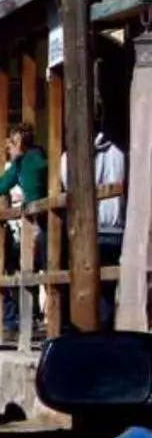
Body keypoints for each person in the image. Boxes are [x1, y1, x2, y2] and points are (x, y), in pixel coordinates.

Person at [60, 124, 128, 328]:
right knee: (108, 285)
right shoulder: (120, 153)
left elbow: (67, 184)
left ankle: (86, 330)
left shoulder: (70, 156)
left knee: (83, 282)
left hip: (88, 228)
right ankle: (106, 329)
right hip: (116, 226)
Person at [0, 122, 48, 335]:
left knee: (35, 271)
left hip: (38, 224)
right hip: (37, 224)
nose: (8, 149)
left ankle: (36, 323)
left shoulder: (28, 163)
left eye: (11, 144)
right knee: (40, 272)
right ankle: (38, 319)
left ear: (18, 143)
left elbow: (28, 192)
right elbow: (4, 183)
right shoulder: (31, 160)